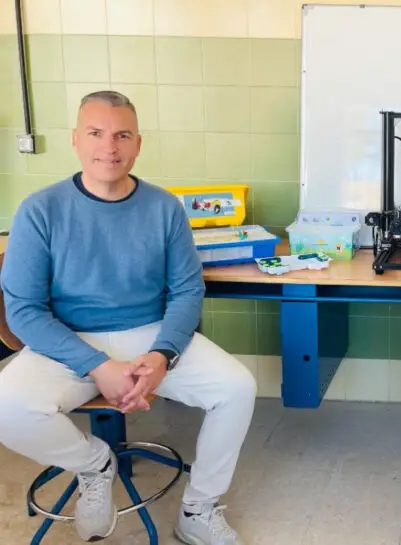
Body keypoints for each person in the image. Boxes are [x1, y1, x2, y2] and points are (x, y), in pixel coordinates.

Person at [0, 91, 256, 545]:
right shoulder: (40, 210)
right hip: (69, 340)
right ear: (76, 140)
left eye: (122, 135)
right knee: (6, 409)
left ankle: (199, 508)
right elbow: (23, 310)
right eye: (96, 134)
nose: (110, 147)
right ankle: (93, 464)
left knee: (237, 388)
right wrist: (97, 366)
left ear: (138, 144)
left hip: (150, 334)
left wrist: (162, 355)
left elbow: (186, 289)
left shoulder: (164, 208)